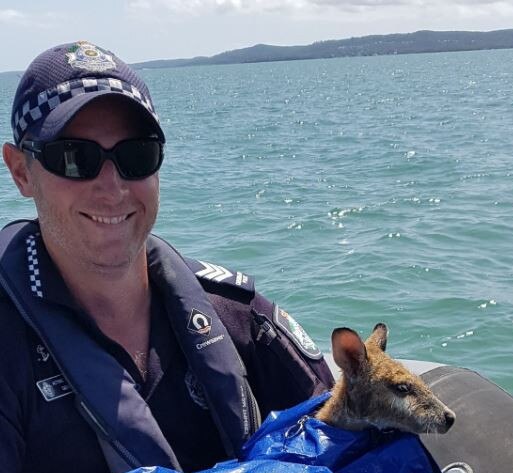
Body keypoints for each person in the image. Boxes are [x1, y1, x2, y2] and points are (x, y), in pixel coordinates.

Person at [0, 41, 334, 473]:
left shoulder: (239, 319)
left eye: (135, 155)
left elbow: (341, 436)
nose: (112, 185)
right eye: (74, 157)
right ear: (21, 171)